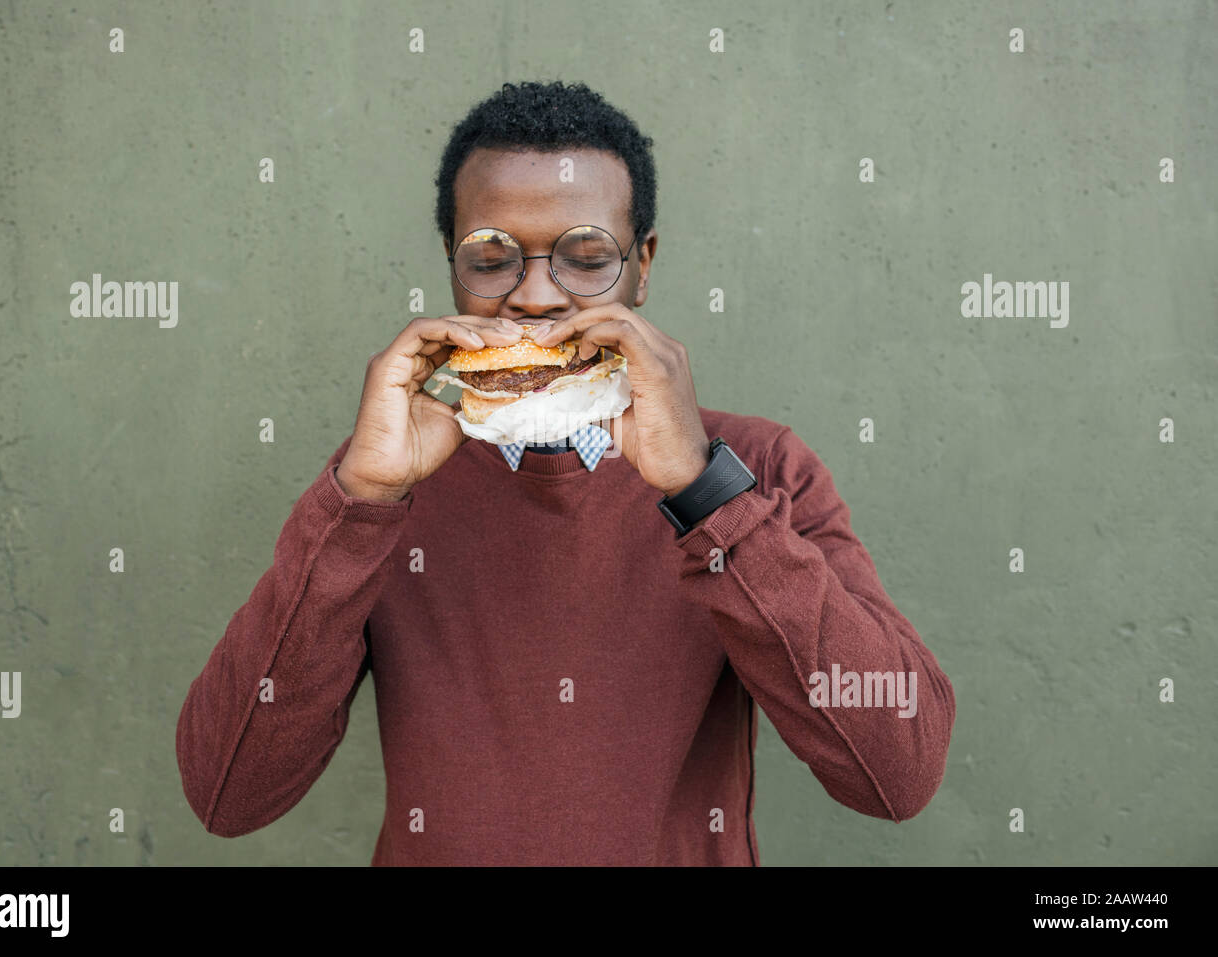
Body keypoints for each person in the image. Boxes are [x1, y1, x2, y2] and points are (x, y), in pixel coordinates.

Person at [175, 81, 956, 866]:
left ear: (642, 266)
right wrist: (363, 501)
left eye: (586, 258)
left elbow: (898, 772)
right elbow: (228, 793)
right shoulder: (384, 481)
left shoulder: (759, 468)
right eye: (491, 257)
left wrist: (704, 491)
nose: (537, 296)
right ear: (450, 265)